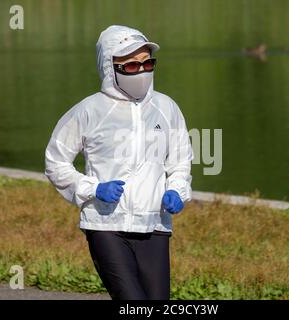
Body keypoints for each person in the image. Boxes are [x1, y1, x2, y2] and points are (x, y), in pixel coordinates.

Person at [44, 25, 193, 300]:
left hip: (155, 224)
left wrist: (177, 189)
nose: (142, 71)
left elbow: (181, 161)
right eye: (131, 66)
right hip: (105, 225)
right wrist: (92, 188)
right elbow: (55, 162)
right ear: (109, 67)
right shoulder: (88, 110)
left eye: (147, 63)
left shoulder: (167, 108)